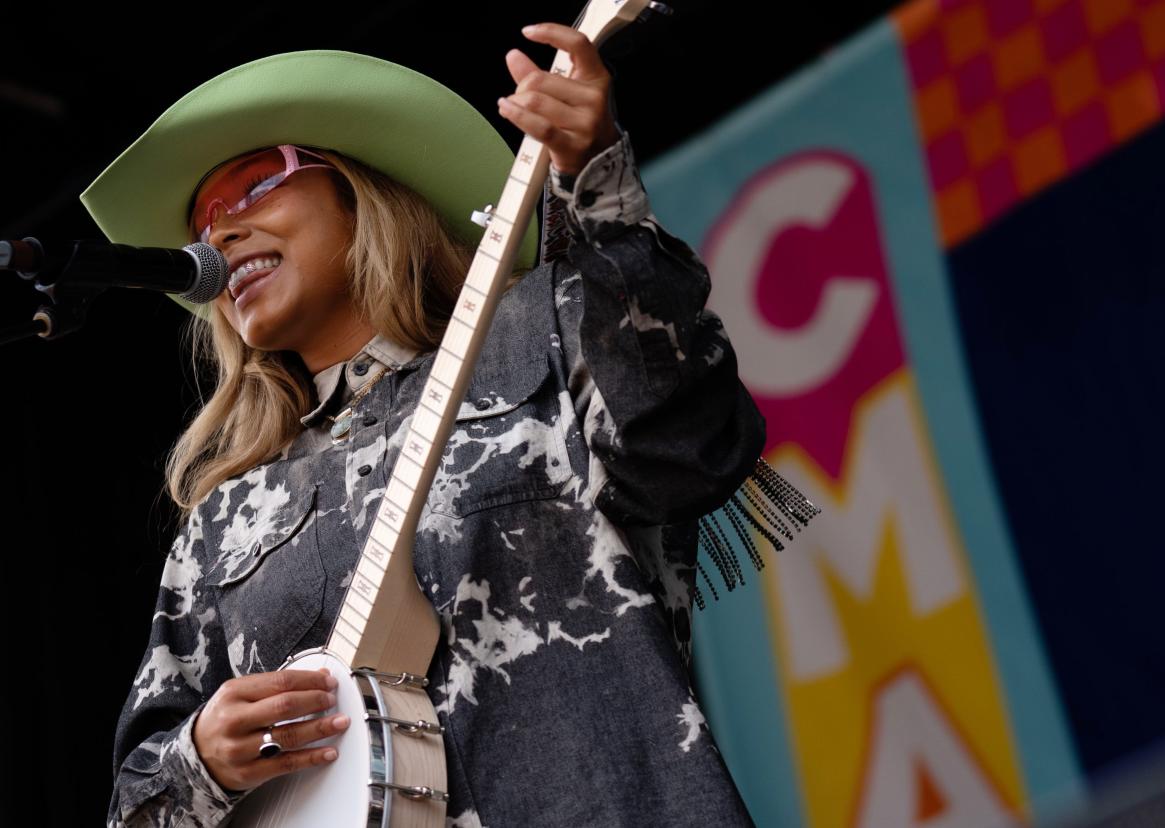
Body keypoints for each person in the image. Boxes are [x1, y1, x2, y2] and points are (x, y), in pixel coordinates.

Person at [82, 24, 791, 828]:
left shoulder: (540, 334)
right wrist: (203, 757)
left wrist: (598, 179)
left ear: (362, 189)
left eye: (255, 186)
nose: (220, 231)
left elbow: (694, 444)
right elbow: (135, 808)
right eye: (203, 220)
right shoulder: (220, 523)